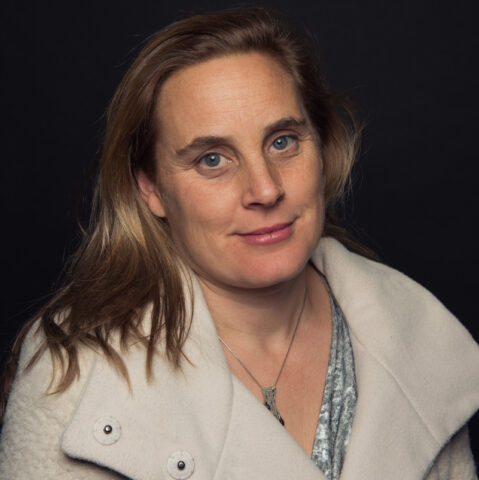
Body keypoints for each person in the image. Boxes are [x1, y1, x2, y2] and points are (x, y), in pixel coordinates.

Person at [0, 7, 478, 480]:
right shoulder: (75, 374)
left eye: (283, 141)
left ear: (320, 143)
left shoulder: (414, 333)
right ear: (150, 188)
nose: (266, 189)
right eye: (212, 159)